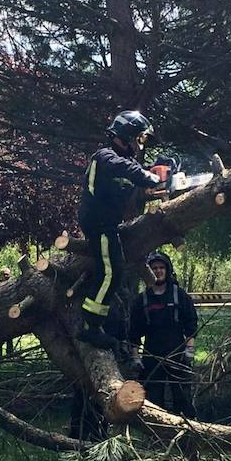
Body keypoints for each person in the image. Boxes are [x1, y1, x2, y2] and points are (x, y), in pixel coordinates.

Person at [76, 110, 164, 349]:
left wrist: (160, 174)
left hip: (109, 225)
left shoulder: (127, 162)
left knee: (114, 272)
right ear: (128, 135)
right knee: (110, 272)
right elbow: (129, 171)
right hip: (98, 225)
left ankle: (96, 324)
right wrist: (150, 177)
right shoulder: (104, 157)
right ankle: (89, 326)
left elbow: (135, 176)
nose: (140, 143)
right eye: (140, 137)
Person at [129, 251, 197, 417]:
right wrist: (135, 357)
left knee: (182, 396)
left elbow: (191, 324)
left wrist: (190, 350)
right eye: (154, 268)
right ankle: (156, 435)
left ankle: (187, 432)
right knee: (153, 400)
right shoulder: (142, 300)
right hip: (152, 355)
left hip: (177, 353)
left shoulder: (179, 295)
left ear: (167, 270)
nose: (158, 271)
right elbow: (134, 332)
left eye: (161, 268)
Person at [0, 267, 15, 357]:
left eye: (8, 274)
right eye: (5, 274)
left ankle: (10, 352)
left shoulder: (12, 285)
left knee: (10, 334)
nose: (7, 276)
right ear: (1, 275)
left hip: (10, 313)